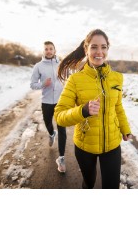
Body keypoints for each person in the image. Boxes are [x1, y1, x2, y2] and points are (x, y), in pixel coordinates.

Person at [54, 29, 132, 189]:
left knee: (111, 187)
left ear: (107, 49)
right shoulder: (75, 80)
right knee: (89, 183)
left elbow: (117, 107)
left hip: (112, 145)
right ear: (86, 49)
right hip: (85, 146)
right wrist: (83, 110)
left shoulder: (117, 78)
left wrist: (125, 128)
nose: (99, 52)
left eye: (103, 47)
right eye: (94, 47)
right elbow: (60, 116)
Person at [30, 41, 67, 173]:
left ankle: (61, 158)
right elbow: (33, 84)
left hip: (61, 102)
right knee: (48, 123)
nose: (49, 51)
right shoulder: (38, 66)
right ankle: (51, 134)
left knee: (62, 129)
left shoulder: (61, 64)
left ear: (55, 50)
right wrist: (43, 84)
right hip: (46, 101)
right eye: (46, 49)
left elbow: (67, 79)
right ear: (44, 51)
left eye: (51, 49)